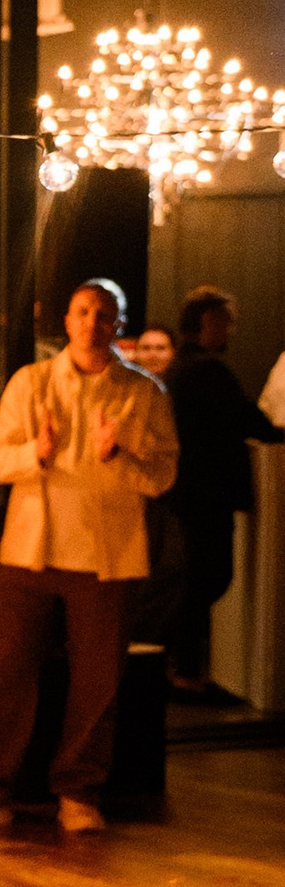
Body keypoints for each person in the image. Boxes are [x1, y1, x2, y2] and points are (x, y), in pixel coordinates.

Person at [0, 276, 179, 841]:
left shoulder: (143, 392)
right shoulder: (32, 382)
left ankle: (78, 792)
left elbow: (163, 475)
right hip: (31, 550)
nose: (92, 323)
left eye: (103, 313)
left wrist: (119, 454)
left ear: (119, 324)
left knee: (97, 684)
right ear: (67, 320)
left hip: (107, 557)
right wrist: (37, 452)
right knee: (7, 673)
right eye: (82, 311)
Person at [165, 285, 283, 692]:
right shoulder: (206, 371)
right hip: (207, 494)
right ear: (208, 322)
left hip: (190, 492)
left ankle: (185, 668)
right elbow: (249, 419)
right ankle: (185, 671)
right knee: (208, 578)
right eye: (226, 323)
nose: (230, 332)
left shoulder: (181, 368)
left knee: (199, 578)